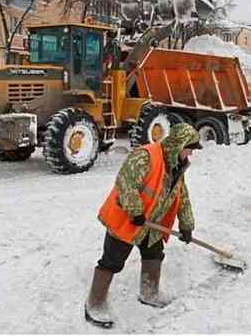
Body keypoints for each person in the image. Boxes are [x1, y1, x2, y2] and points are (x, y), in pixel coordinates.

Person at [85, 123, 202, 328]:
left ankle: (149, 293)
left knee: (154, 255)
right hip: (128, 220)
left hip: (152, 224)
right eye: (189, 147)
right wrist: (135, 210)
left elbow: (182, 196)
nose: (191, 153)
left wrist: (186, 225)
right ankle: (94, 304)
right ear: (179, 144)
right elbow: (125, 183)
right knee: (112, 261)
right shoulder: (146, 155)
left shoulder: (176, 164)